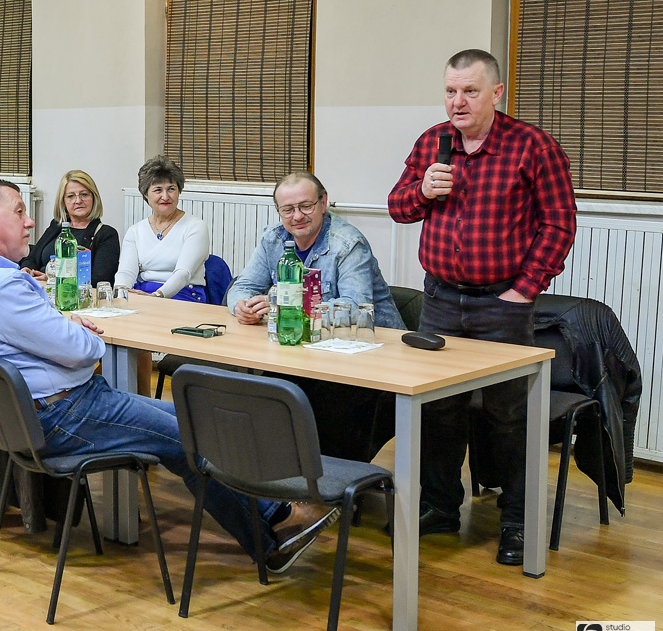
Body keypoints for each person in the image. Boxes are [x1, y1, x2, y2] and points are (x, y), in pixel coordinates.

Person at [0, 179, 338, 571]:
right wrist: (75, 331)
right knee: (190, 436)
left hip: (35, 414)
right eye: (19, 212)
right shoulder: (4, 285)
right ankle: (274, 531)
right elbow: (86, 351)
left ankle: (273, 523)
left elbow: (44, 338)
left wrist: (61, 326)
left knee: (192, 420)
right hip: (62, 414)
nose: (29, 221)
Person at [388, 48, 577, 566]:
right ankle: (440, 507)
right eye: (450, 91)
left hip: (502, 304)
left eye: (470, 91)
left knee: (507, 416)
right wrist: (422, 189)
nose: (458, 101)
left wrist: (525, 289)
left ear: (496, 92)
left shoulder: (531, 145)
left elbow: (559, 223)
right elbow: (398, 207)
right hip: (440, 300)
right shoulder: (433, 141)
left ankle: (517, 522)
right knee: (438, 410)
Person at [228, 171, 402, 328]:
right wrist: (242, 307)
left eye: (306, 206)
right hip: (309, 337)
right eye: (288, 210)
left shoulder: (348, 244)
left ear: (323, 202)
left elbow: (355, 308)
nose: (297, 216)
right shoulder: (272, 239)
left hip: (374, 341)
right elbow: (242, 287)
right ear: (278, 210)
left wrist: (287, 306)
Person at [114, 156, 210, 301]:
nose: (165, 196)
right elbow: (126, 272)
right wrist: (120, 296)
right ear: (146, 194)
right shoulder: (135, 231)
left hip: (183, 296)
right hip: (143, 295)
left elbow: (183, 274)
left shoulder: (195, 227)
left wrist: (156, 296)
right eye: (158, 190)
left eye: (171, 189)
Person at [21, 170, 120, 285]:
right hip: (41, 288)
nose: (78, 201)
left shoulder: (106, 234)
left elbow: (100, 280)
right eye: (71, 196)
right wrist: (28, 269)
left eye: (84, 194)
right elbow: (32, 258)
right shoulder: (57, 225)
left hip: (74, 294)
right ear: (63, 201)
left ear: (94, 197)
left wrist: (54, 280)